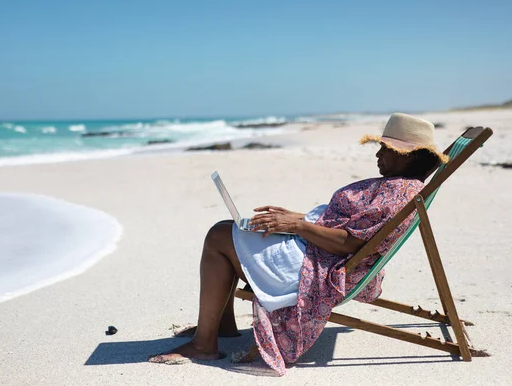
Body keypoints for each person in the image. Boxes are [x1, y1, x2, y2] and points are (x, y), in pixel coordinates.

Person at [148, 113, 449, 375]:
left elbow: (348, 244)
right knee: (229, 232)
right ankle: (220, 326)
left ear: (407, 154)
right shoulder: (399, 187)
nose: (378, 155)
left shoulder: (398, 195)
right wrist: (296, 218)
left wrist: (297, 226)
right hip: (318, 252)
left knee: (219, 236)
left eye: (385, 148)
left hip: (321, 268)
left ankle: (204, 344)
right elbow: (345, 226)